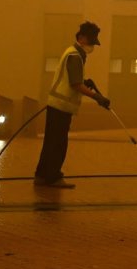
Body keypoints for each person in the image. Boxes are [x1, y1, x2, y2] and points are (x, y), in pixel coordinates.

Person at [34, 20, 111, 188]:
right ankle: (53, 177)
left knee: (50, 142)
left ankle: (41, 175)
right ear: (82, 38)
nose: (92, 46)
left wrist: (85, 81)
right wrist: (97, 97)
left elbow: (74, 80)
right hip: (62, 106)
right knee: (58, 144)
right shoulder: (75, 56)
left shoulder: (72, 53)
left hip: (56, 104)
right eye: (91, 41)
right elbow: (75, 85)